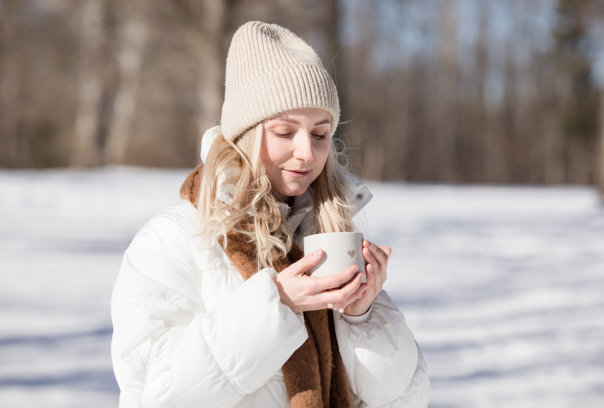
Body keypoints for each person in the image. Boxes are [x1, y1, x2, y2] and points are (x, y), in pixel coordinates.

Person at [111, 21, 430, 408]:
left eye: (319, 134)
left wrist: (362, 316)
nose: (307, 154)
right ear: (246, 133)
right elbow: (155, 392)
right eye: (284, 132)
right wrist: (274, 305)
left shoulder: (327, 234)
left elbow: (408, 398)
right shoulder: (172, 240)